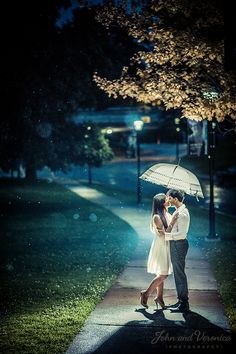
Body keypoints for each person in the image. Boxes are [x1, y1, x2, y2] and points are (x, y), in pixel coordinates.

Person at [140, 193, 179, 309]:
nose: (169, 201)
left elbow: (173, 230)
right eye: (167, 199)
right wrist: (173, 221)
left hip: (167, 246)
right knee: (164, 274)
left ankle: (159, 297)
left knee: (161, 272)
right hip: (161, 247)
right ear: (162, 202)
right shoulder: (156, 217)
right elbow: (166, 233)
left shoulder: (167, 214)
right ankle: (145, 294)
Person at [164, 189, 190, 312]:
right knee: (178, 273)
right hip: (176, 244)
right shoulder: (177, 211)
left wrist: (168, 236)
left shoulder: (182, 214)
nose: (168, 199)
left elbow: (182, 234)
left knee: (179, 273)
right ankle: (180, 300)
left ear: (175, 199)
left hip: (179, 244)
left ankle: (184, 303)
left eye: (169, 197)